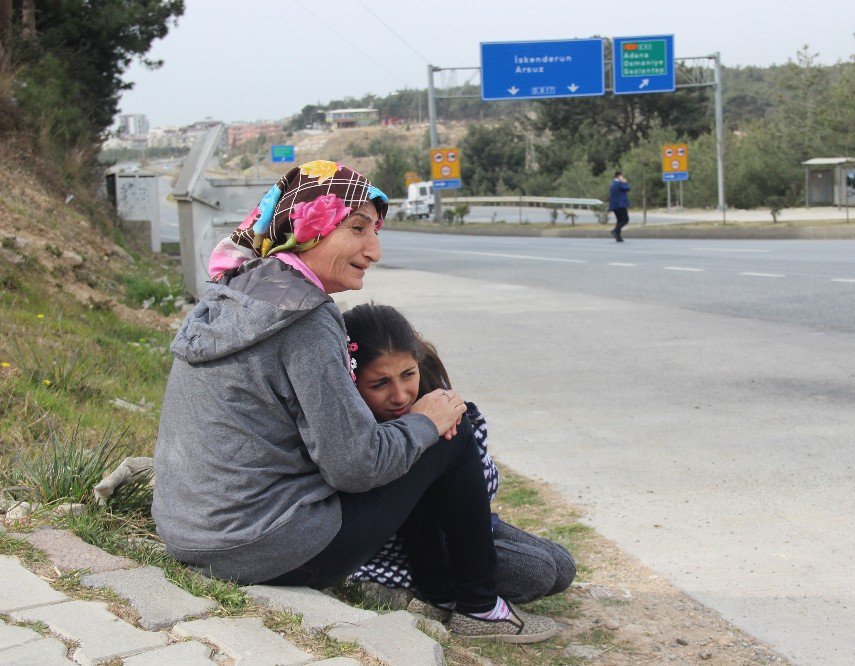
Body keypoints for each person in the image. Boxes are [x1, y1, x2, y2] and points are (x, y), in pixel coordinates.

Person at [152, 160, 557, 643]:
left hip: (190, 534)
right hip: (263, 546)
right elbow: (355, 466)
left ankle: (441, 590)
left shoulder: (234, 290)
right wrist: (428, 420)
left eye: (376, 231)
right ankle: (477, 607)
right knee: (451, 427)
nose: (375, 250)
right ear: (309, 226)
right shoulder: (304, 317)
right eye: (358, 228)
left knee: (423, 433)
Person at [342, 303, 576, 607]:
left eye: (407, 374)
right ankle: (441, 598)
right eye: (380, 384)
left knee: (563, 567)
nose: (399, 395)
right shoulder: (353, 431)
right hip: (400, 551)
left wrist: (456, 442)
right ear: (352, 380)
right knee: (537, 572)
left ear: (418, 362)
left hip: (465, 526)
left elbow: (485, 488)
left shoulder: (435, 399)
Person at [608, 171, 631, 242]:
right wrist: (625, 182)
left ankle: (618, 237)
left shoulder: (612, 184)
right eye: (622, 176)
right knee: (625, 220)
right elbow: (628, 188)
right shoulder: (619, 184)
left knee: (619, 221)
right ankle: (615, 230)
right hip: (620, 205)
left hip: (614, 206)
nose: (623, 177)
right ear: (619, 176)